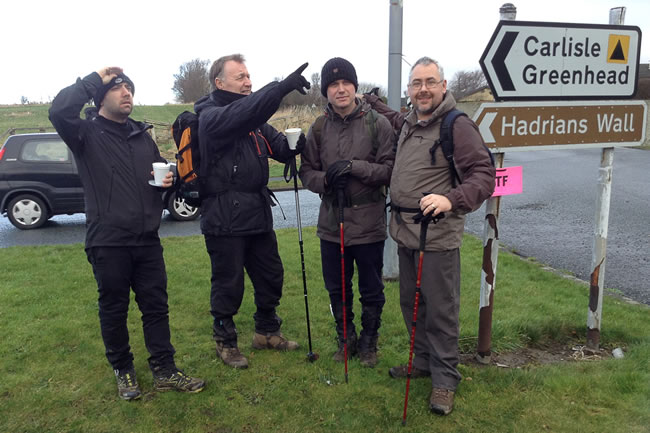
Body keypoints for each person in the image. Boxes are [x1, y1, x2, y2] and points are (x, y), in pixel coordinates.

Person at [49, 67, 205, 400]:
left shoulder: (141, 136)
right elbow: (58, 110)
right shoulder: (85, 134)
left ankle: (164, 369)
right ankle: (124, 371)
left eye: (129, 89)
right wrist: (94, 78)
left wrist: (170, 181)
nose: (126, 93)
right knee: (114, 309)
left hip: (147, 239)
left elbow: (158, 177)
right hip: (108, 240)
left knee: (156, 307)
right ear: (100, 97)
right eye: (118, 88)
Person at [364, 57, 495, 415]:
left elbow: (484, 175)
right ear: (408, 90)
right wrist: (370, 100)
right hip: (406, 233)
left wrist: (450, 199)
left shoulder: (457, 125)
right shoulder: (408, 121)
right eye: (416, 83)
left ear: (444, 86)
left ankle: (444, 381)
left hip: (436, 237)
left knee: (440, 311)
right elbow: (392, 114)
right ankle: (422, 361)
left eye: (430, 82)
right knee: (411, 303)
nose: (423, 89)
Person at [195, 54, 310, 369]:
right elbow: (241, 114)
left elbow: (280, 148)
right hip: (223, 215)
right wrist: (280, 88)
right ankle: (226, 341)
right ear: (220, 83)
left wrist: (294, 145)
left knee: (271, 275)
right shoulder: (209, 115)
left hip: (257, 212)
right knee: (228, 283)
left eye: (249, 76)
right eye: (240, 77)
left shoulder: (255, 122)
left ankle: (267, 332)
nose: (248, 82)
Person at [299, 58, 395, 367]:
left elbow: (390, 170)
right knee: (337, 286)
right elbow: (307, 171)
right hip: (331, 223)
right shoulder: (317, 128)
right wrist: (325, 180)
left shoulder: (377, 123)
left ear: (355, 87)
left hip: (368, 222)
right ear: (325, 91)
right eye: (333, 85)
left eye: (346, 84)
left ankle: (369, 340)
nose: (340, 90)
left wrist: (356, 168)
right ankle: (346, 336)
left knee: (371, 287)